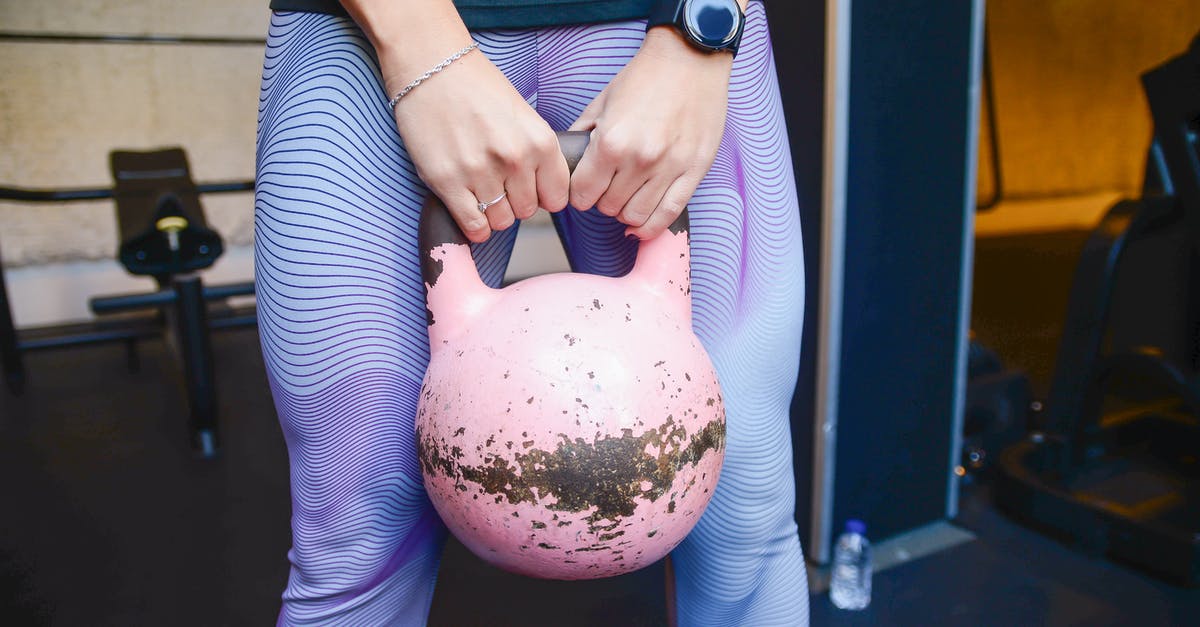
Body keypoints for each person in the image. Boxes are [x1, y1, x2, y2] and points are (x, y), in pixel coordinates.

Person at [254, 0, 809, 624]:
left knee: (743, 523)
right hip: (370, 35)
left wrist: (699, 29)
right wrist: (415, 40)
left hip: (667, 35)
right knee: (358, 544)